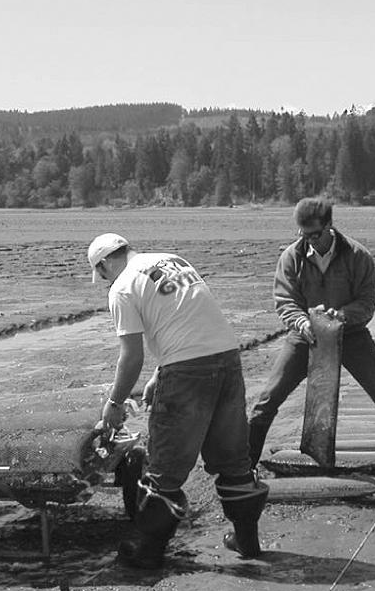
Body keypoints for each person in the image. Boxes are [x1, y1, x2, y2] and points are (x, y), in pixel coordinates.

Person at [88, 232, 269, 568]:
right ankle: (248, 540)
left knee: (165, 466)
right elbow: (185, 319)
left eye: (100, 274)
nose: (103, 280)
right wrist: (161, 373)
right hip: (227, 359)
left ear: (104, 264)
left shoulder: (122, 287)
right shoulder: (173, 260)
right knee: (233, 459)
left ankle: (148, 551)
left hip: (187, 373)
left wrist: (114, 405)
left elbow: (130, 357)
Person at [248, 198, 375, 493]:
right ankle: (246, 471)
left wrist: (342, 316)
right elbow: (285, 300)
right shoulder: (291, 257)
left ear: (329, 226)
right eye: (301, 233)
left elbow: (367, 301)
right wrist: (302, 323)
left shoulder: (357, 256)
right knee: (266, 401)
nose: (306, 239)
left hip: (351, 336)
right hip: (306, 336)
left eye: (313, 233)